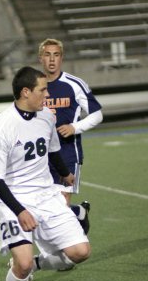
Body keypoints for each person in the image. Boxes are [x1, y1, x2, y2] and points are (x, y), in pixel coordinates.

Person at [0, 66, 91, 281]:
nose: (47, 93)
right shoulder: (2, 126)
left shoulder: (45, 116)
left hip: (46, 193)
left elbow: (53, 149)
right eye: (42, 89)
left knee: (80, 253)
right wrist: (19, 211)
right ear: (25, 92)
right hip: (12, 198)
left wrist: (66, 174)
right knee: (21, 261)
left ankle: (36, 265)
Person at [38, 38, 103, 234]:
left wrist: (75, 127)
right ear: (40, 58)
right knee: (43, 206)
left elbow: (97, 114)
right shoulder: (35, 85)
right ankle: (78, 212)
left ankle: (63, 253)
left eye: (56, 55)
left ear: (62, 58)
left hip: (67, 153)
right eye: (47, 55)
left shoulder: (73, 84)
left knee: (60, 206)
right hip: (40, 155)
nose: (52, 60)